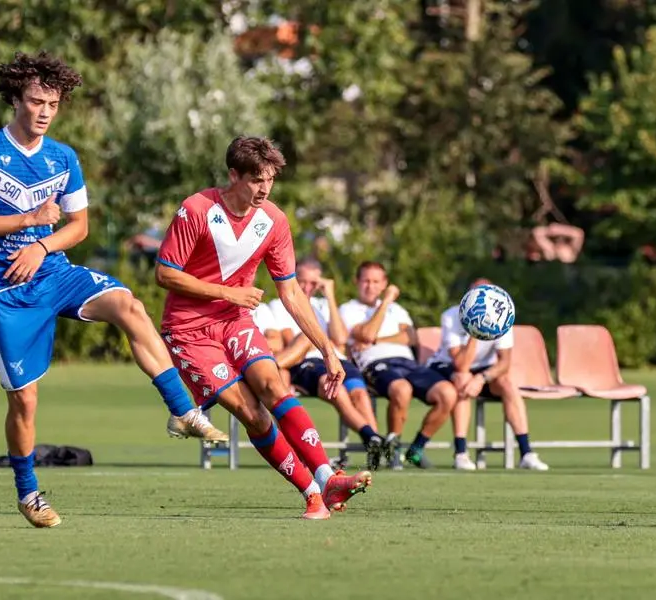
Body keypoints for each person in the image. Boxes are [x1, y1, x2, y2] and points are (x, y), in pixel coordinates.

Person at [0, 51, 224, 528]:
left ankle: (181, 410)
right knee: (25, 401)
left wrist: (41, 246)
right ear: (15, 99)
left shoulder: (64, 157)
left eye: (52, 104)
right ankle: (27, 492)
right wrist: (29, 221)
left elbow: (79, 227)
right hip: (5, 291)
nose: (43, 111)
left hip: (54, 273)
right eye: (36, 101)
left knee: (128, 304)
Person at [155, 135, 373, 520]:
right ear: (233, 175)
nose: (265, 188)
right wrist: (229, 293)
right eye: (256, 179)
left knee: (275, 385)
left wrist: (326, 349)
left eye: (270, 179)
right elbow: (165, 274)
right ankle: (311, 493)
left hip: (234, 321)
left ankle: (328, 478)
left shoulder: (273, 221)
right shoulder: (197, 209)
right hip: (188, 331)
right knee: (253, 414)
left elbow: (291, 292)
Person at [268, 258, 385, 470]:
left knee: (360, 394)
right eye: (302, 281)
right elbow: (290, 340)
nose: (307, 288)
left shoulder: (323, 306)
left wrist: (330, 295)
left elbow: (339, 339)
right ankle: (370, 436)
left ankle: (375, 447)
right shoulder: (281, 303)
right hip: (308, 362)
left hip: (336, 358)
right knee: (337, 390)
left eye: (313, 283)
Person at [340, 261, 457, 469]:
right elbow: (366, 333)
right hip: (375, 364)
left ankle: (416, 450)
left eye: (376, 281)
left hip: (407, 363)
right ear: (356, 282)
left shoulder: (398, 309)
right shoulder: (349, 309)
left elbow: (411, 337)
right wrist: (385, 303)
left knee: (448, 393)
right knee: (402, 389)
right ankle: (392, 448)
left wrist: (376, 340)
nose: (370, 286)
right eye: (366, 281)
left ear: (384, 283)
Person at [426, 278, 550, 471]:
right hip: (448, 367)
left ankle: (527, 453)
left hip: (483, 371)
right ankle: (461, 453)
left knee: (507, 384)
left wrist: (482, 378)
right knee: (463, 380)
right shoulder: (451, 316)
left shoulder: (501, 317)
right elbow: (460, 364)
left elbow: (504, 363)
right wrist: (474, 330)